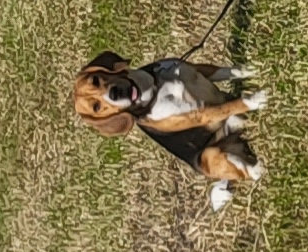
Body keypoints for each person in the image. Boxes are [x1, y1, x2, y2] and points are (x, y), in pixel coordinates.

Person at [73, 52, 267, 208]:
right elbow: (202, 116)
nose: (106, 92)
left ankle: (229, 173)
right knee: (229, 162)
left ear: (105, 70)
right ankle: (240, 176)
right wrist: (249, 103)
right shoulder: (157, 116)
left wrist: (240, 72)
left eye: (96, 81)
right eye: (97, 107)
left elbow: (196, 71)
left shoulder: (158, 69)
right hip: (212, 146)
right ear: (108, 117)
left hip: (225, 115)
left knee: (234, 115)